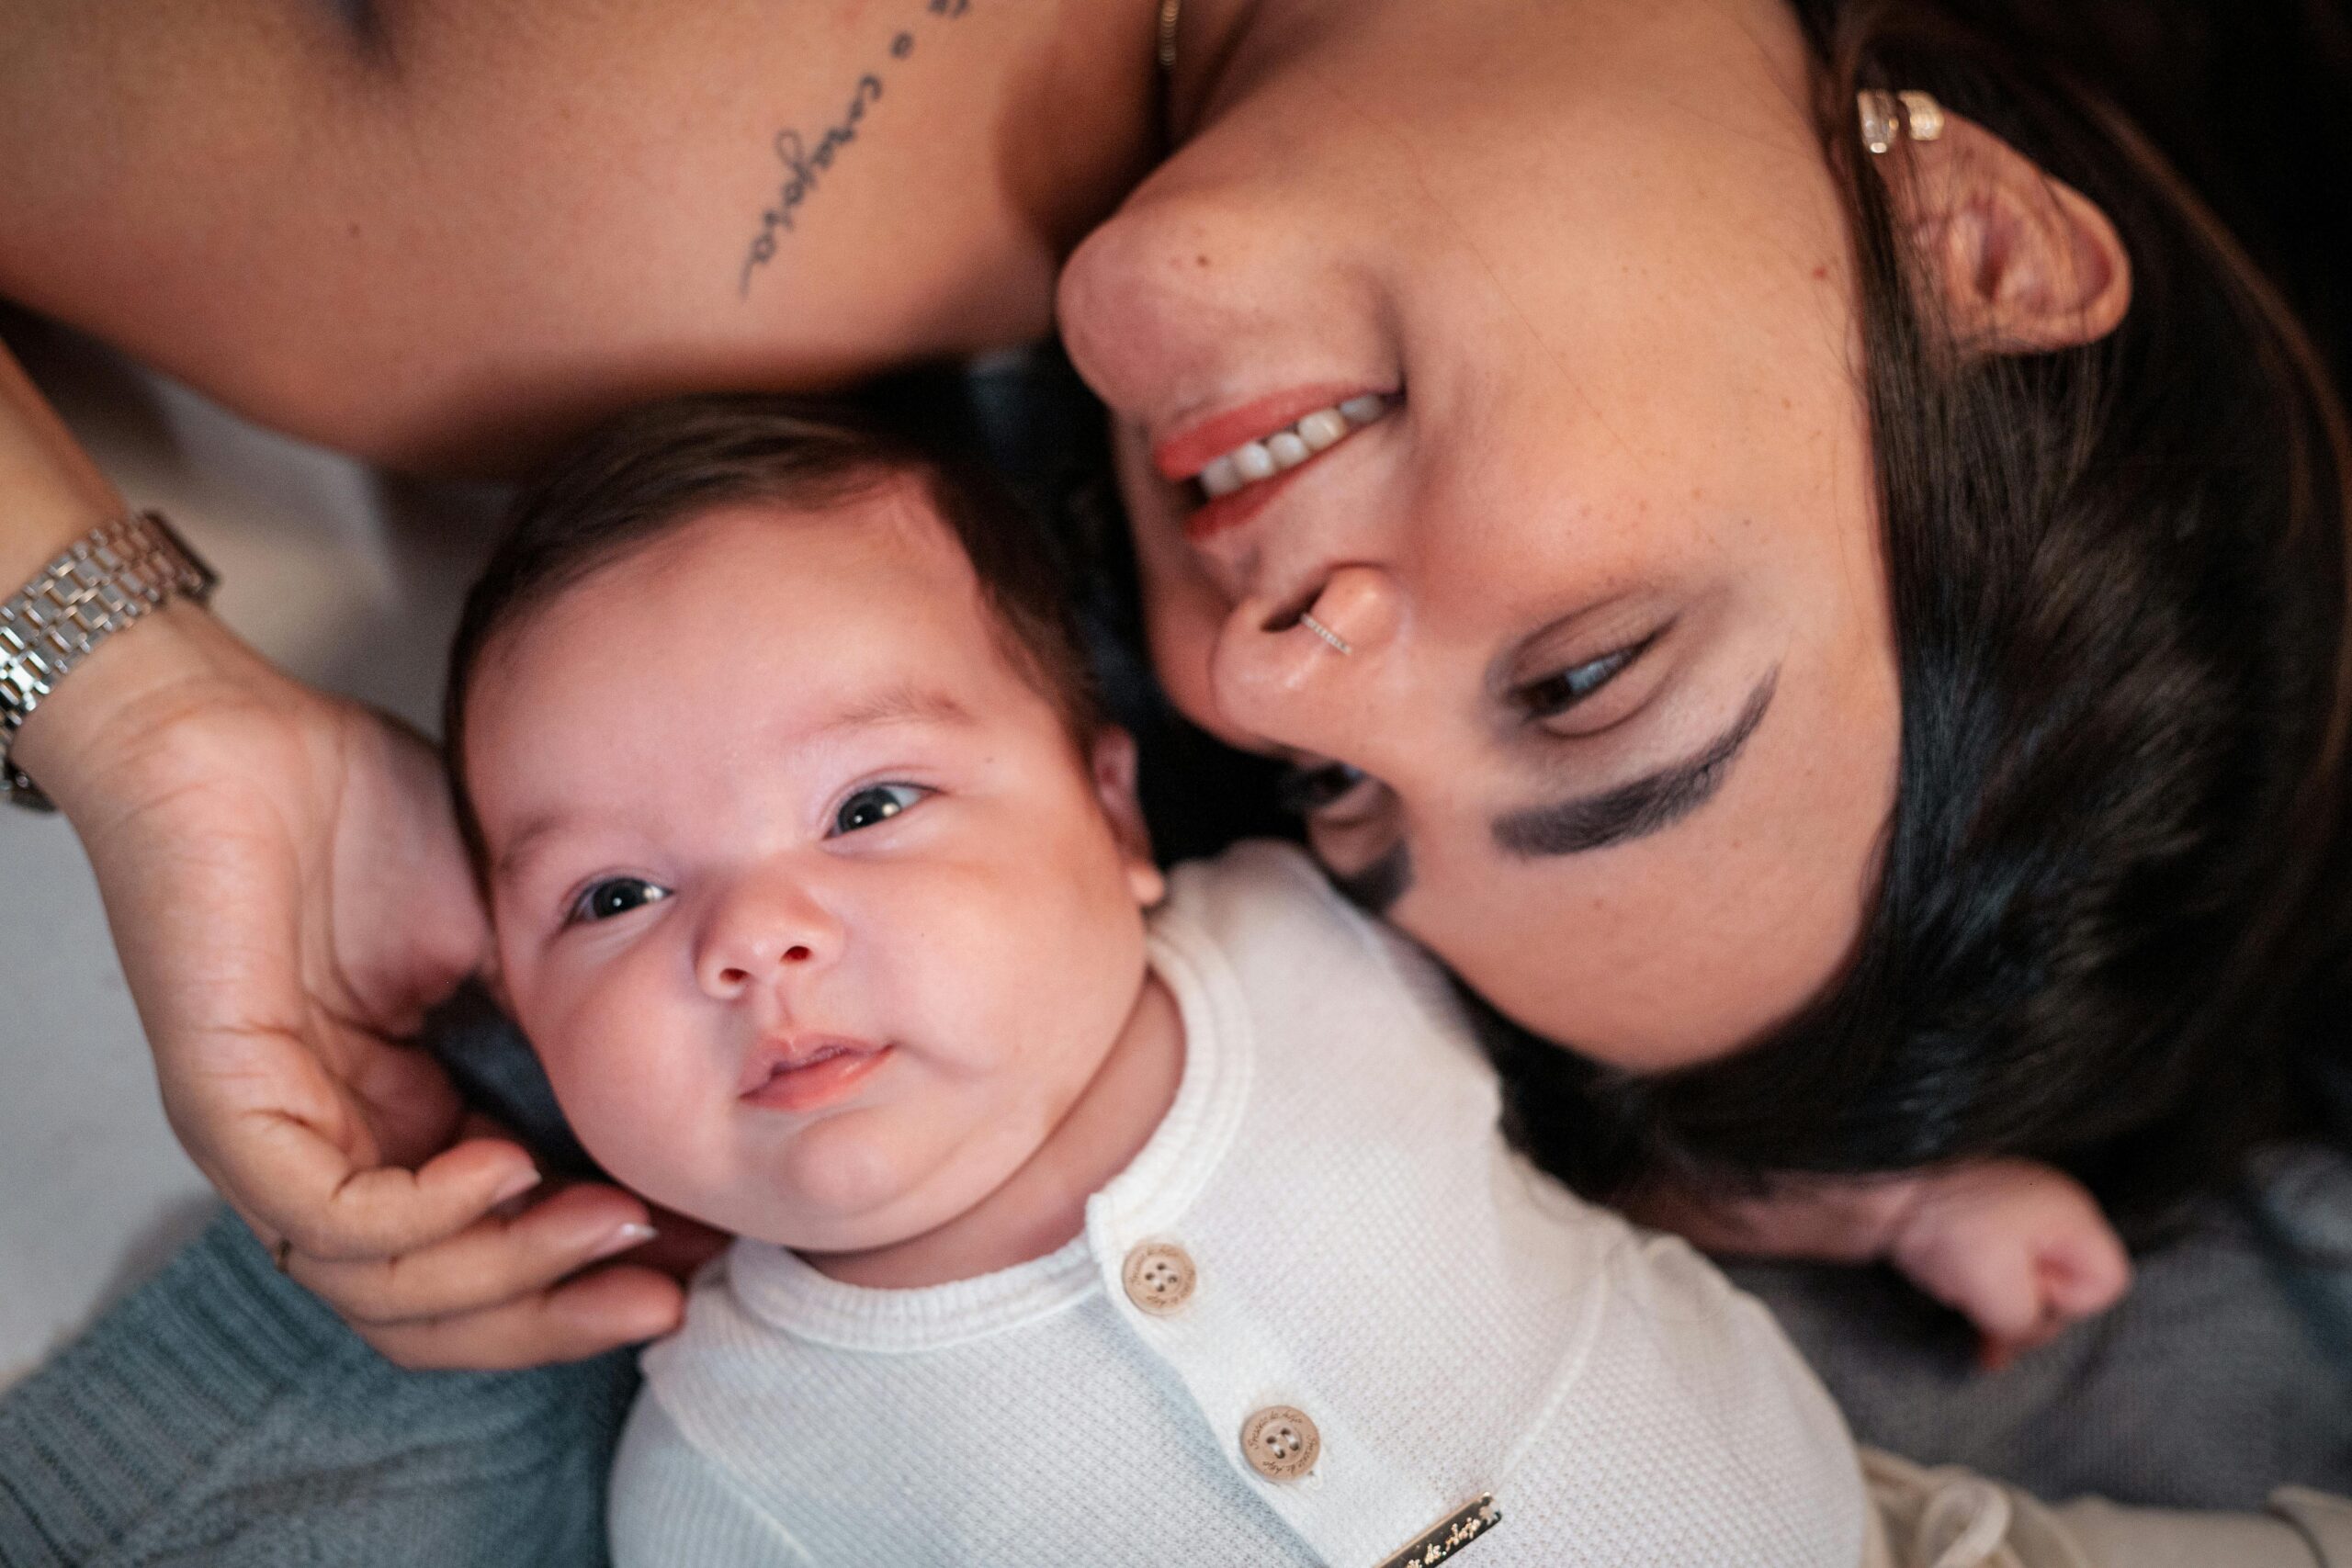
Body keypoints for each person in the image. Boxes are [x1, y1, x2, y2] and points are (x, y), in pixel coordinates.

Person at [0, 0, 2342, 1420]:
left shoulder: (603, 214)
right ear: (1984, 245)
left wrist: (124, 694)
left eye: (1337, 794)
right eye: (1583, 673)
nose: (1260, 661)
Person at [443, 394, 2337, 1567]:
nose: (746, 934)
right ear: (516, 1006)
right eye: (608, 891)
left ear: (1112, 816)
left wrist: (1898, 1194)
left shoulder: (1308, 939)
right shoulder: (724, 1475)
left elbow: (1601, 1143)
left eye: (866, 799)